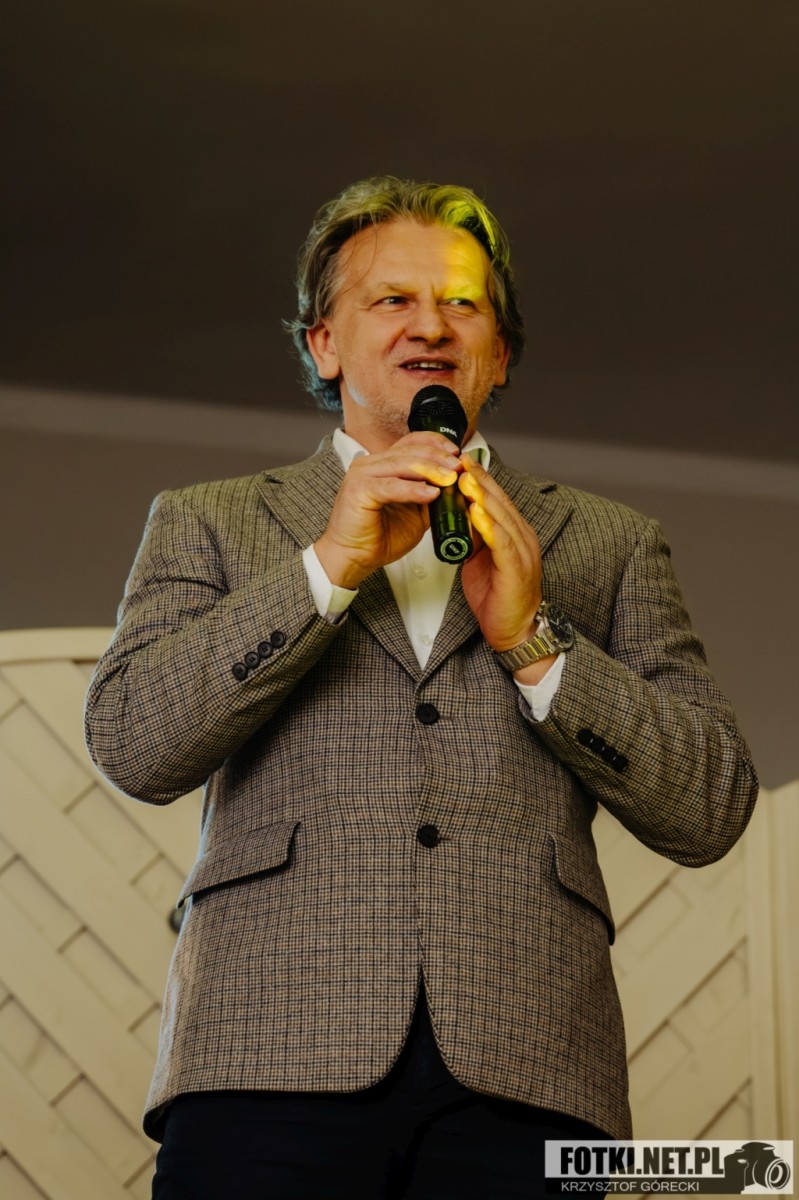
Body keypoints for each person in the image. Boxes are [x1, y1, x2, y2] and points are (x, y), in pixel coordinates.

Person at [85, 176, 758, 1199]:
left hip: (534, 1067)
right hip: (263, 1054)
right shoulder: (208, 519)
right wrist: (325, 570)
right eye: (392, 299)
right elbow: (134, 742)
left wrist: (534, 641)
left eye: (462, 303)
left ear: (500, 353)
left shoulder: (609, 543)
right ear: (324, 344)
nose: (431, 325)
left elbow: (710, 807)